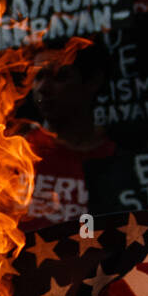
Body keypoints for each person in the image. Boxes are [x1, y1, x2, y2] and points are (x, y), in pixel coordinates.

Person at [16, 39, 117, 230]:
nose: (43, 88)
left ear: (93, 82)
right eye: (38, 77)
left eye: (60, 77)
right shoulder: (15, 152)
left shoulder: (118, 157)